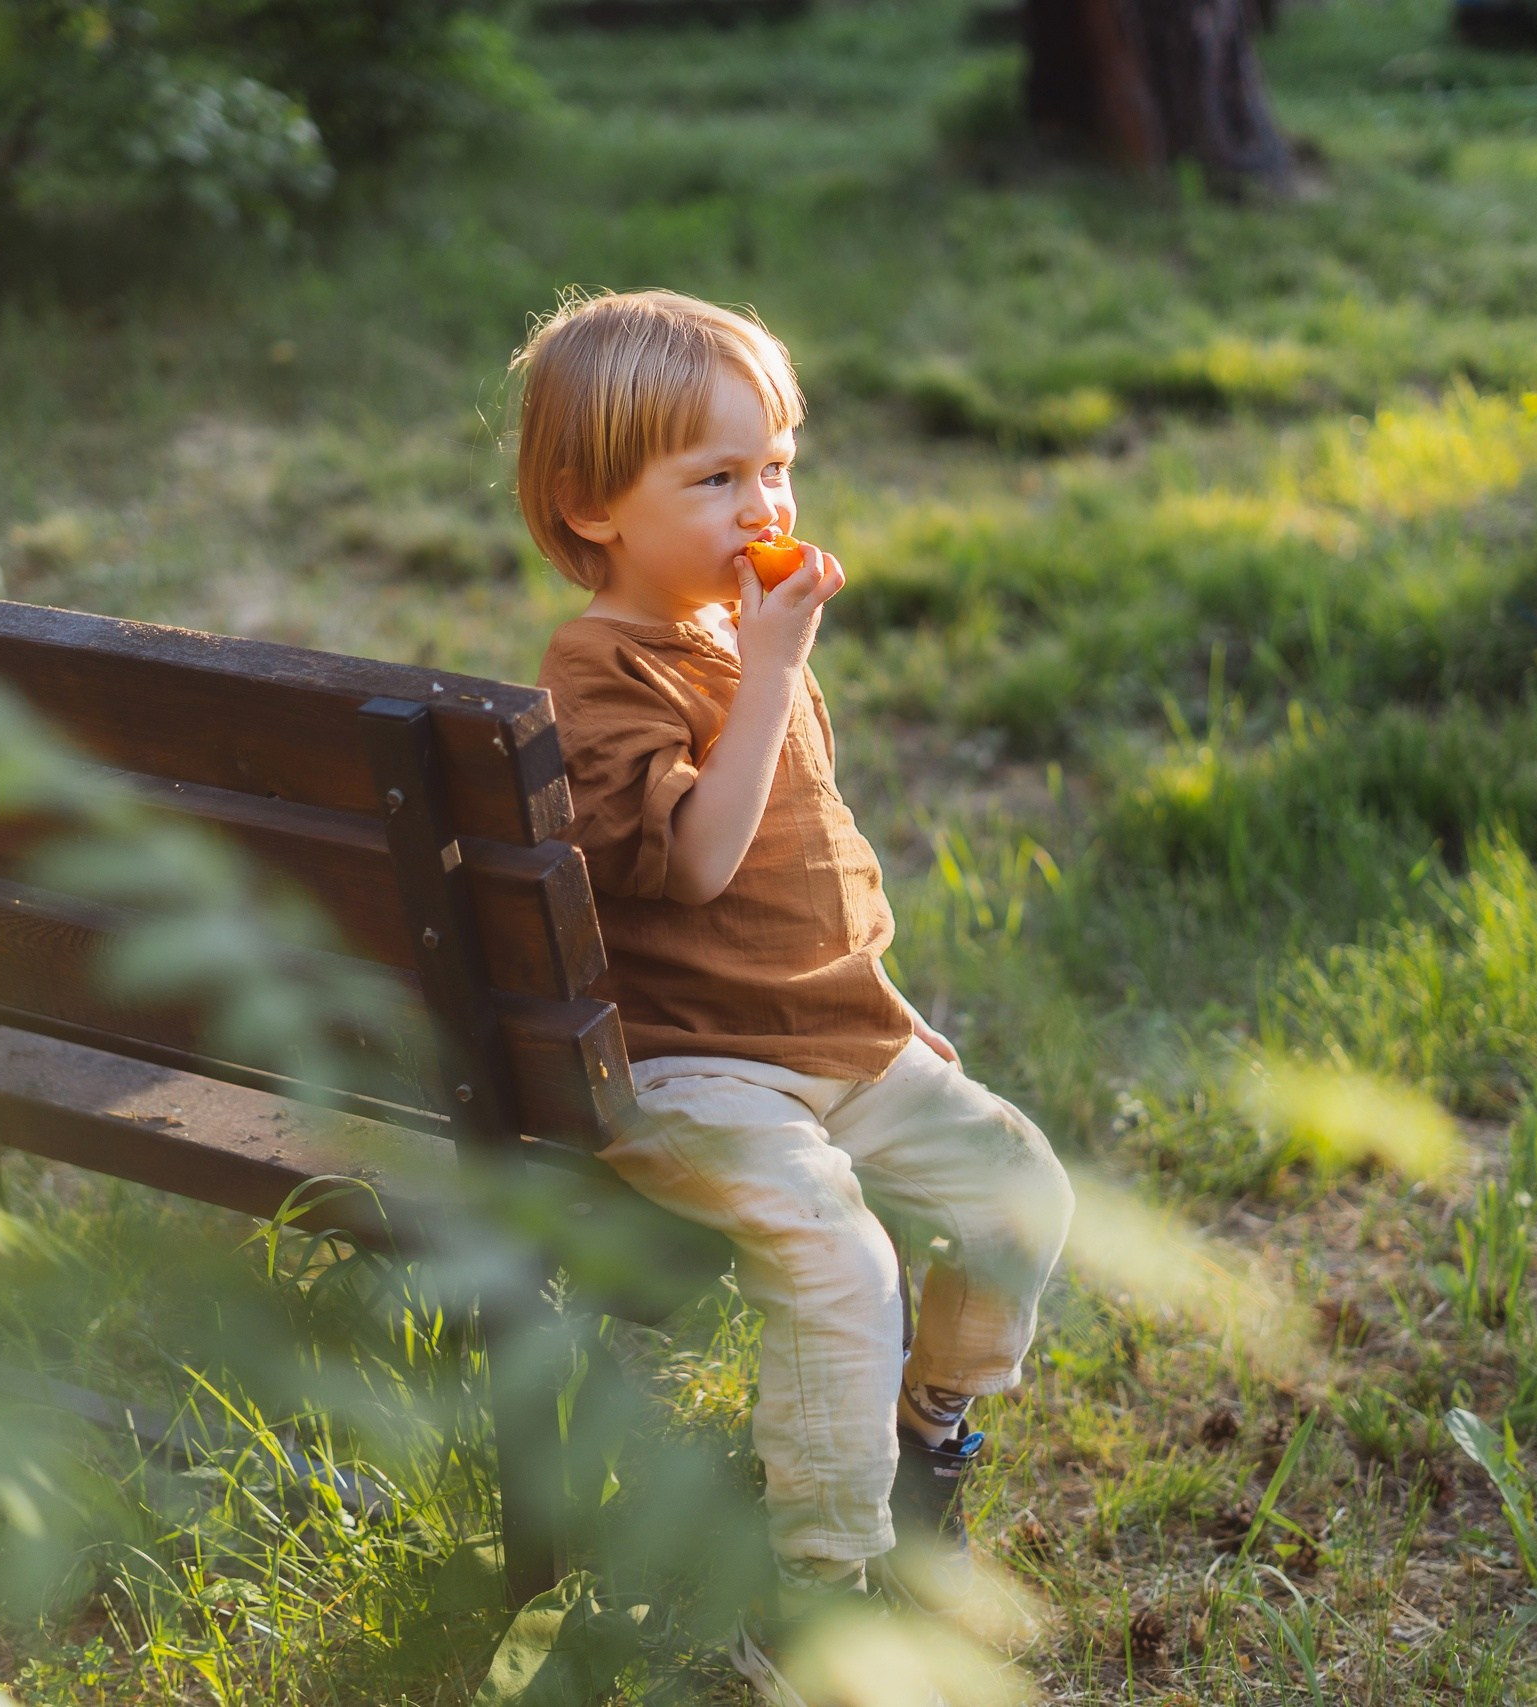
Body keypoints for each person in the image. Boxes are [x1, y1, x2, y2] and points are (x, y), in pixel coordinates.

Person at [513, 288, 1076, 1702]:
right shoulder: (602, 667)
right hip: (692, 1068)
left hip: (823, 1037)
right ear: (592, 511)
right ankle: (817, 1597)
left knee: (1018, 1182)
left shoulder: (729, 638)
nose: (763, 502)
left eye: (776, 464)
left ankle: (922, 1427)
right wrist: (770, 673)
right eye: (714, 479)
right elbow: (701, 869)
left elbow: (805, 870)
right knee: (842, 1262)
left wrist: (878, 1011)